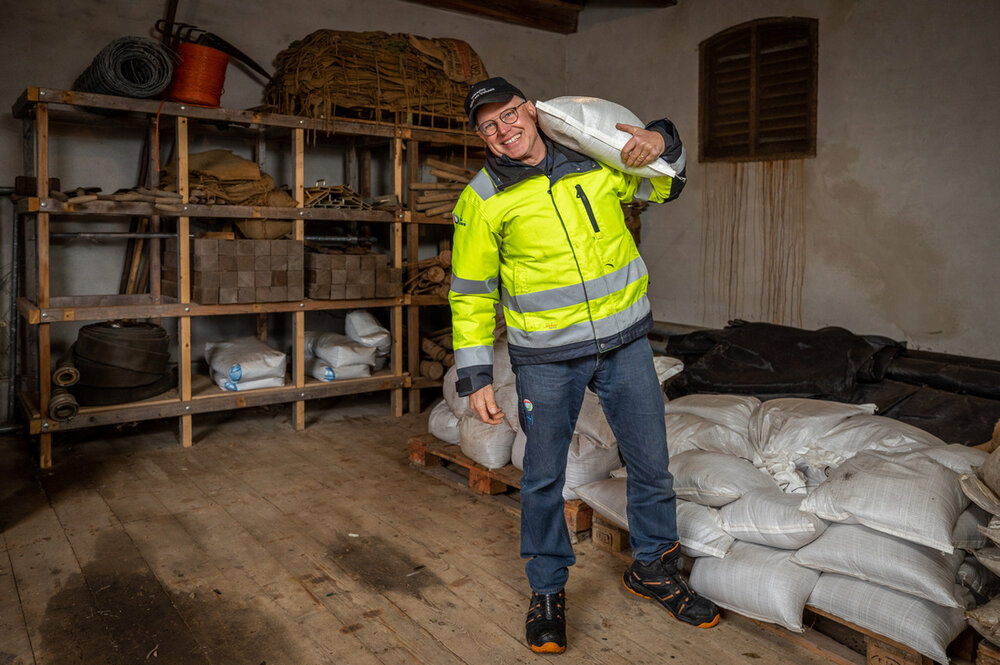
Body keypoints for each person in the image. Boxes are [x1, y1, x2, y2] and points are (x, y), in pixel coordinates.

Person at [448, 77, 720, 654]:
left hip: (624, 343)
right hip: (546, 358)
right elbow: (470, 292)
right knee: (544, 478)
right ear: (481, 137)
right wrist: (474, 377)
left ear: (530, 109)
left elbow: (667, 186)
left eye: (509, 115)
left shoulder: (592, 160)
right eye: (488, 126)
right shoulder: (483, 197)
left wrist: (661, 137)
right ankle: (547, 590)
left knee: (651, 462)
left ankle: (653, 567)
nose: (504, 131)